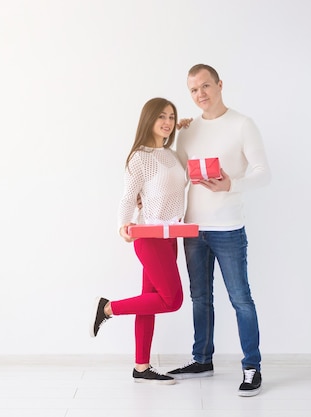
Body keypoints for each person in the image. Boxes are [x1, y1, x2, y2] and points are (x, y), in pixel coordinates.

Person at [166, 64, 271, 397]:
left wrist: (231, 184)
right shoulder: (188, 130)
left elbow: (263, 174)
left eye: (206, 86)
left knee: (241, 299)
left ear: (220, 84)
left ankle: (251, 366)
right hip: (193, 228)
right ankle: (202, 360)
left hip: (228, 228)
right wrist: (171, 133)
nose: (201, 94)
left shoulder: (243, 124)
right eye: (194, 90)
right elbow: (174, 172)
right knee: (200, 298)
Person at [90, 97, 187, 385]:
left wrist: (185, 128)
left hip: (171, 237)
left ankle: (141, 368)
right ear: (149, 120)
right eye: (161, 117)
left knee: (150, 301)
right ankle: (108, 308)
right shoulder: (140, 156)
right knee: (173, 300)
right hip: (149, 237)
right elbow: (127, 195)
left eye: (171, 116)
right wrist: (123, 224)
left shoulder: (172, 154)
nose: (167, 122)